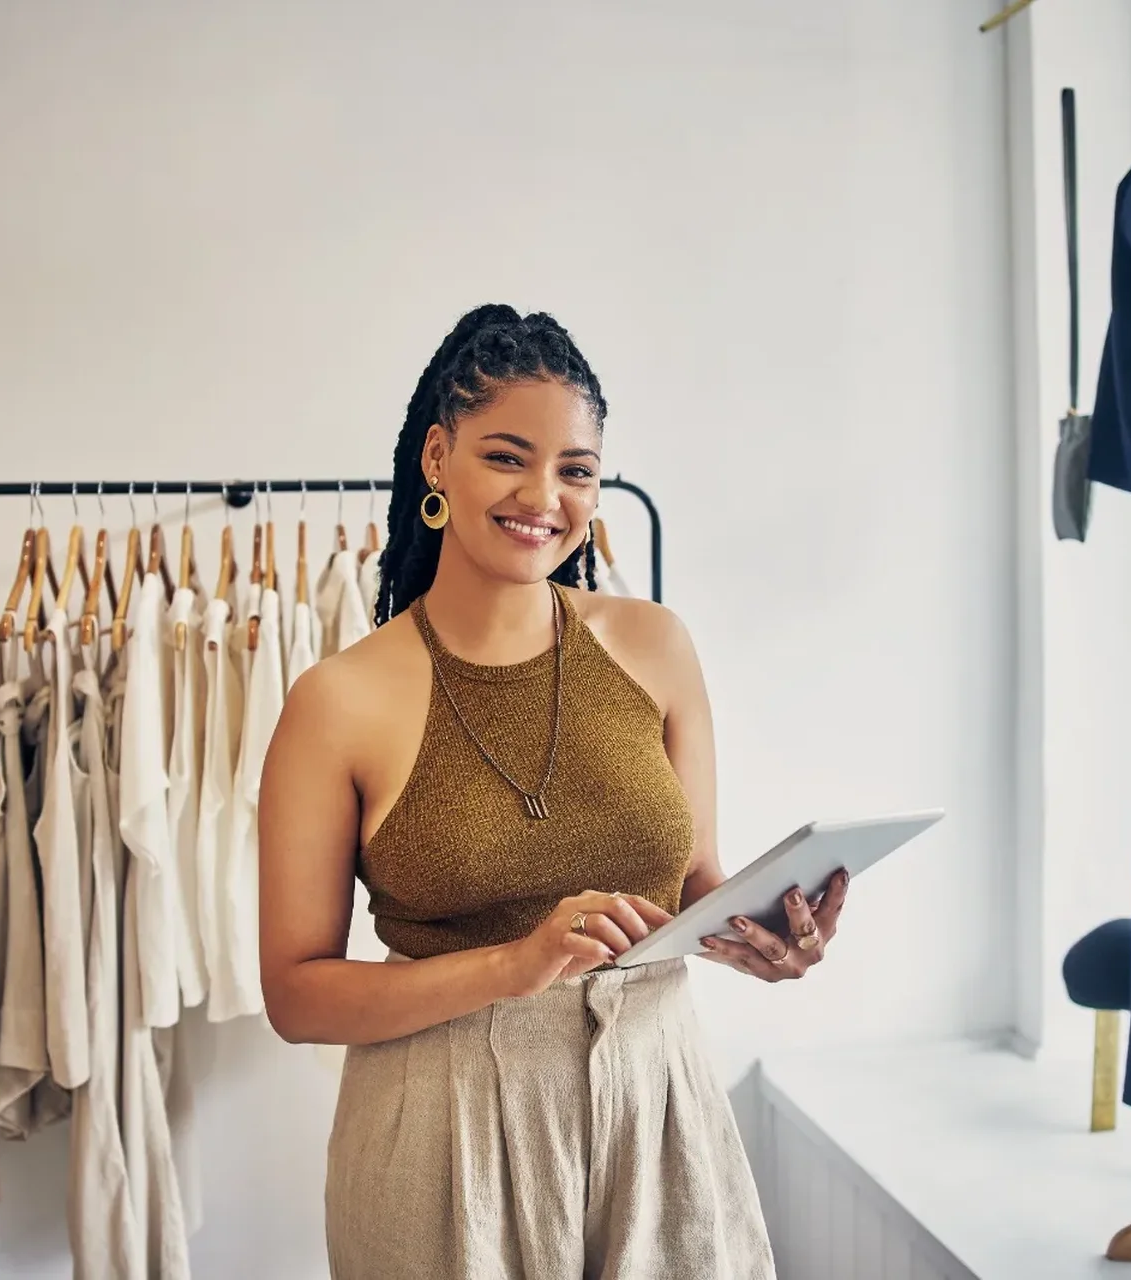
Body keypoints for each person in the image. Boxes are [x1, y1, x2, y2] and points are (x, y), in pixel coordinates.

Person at [258, 304, 849, 1279]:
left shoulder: (656, 644)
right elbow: (295, 992)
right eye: (508, 456)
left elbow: (694, 876)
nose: (545, 494)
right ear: (438, 460)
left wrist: (763, 930)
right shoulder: (339, 700)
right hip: (443, 1133)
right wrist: (515, 964)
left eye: (576, 468)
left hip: (660, 1104)